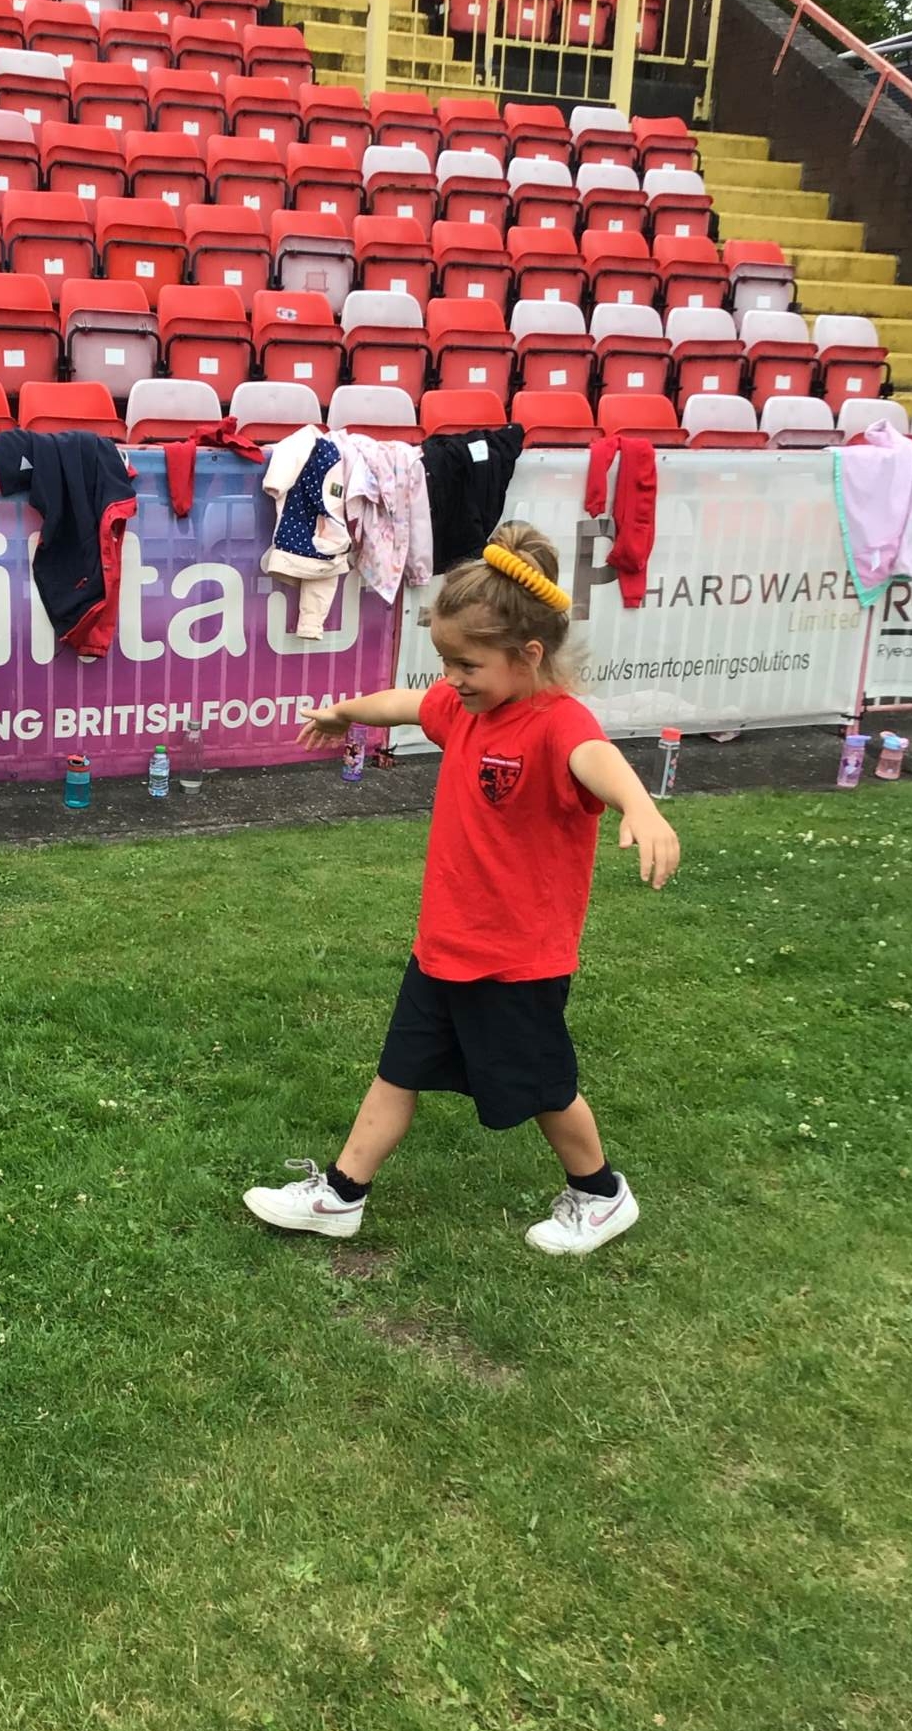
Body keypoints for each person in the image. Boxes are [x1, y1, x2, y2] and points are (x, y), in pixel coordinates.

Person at [243, 522, 681, 1257]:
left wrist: (640, 806)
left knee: (545, 1088)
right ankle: (341, 1196)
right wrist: (345, 712)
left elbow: (596, 757)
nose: (451, 678)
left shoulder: (557, 723)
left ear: (528, 655)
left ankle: (602, 1194)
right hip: (444, 946)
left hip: (515, 961)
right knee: (397, 1073)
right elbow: (404, 703)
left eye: (467, 664)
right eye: (445, 660)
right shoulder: (462, 708)